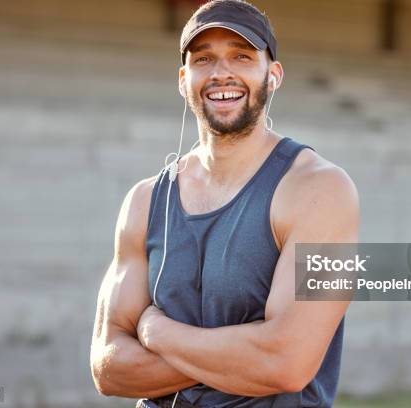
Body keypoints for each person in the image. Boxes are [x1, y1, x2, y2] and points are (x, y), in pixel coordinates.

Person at [90, 1, 359, 407]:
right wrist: (242, 354)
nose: (221, 73)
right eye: (204, 59)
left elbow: (286, 363)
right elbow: (108, 368)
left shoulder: (320, 191)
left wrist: (157, 333)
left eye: (242, 56)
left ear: (274, 75)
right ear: (184, 79)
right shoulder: (145, 201)